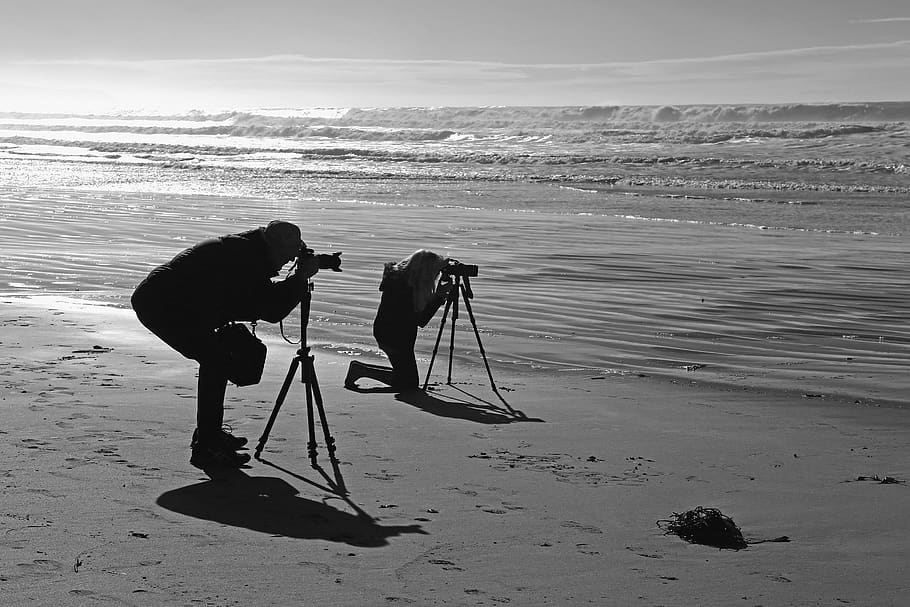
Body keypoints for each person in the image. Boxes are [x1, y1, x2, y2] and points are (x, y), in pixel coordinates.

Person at [131, 221, 319, 468]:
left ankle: (210, 435)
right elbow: (271, 309)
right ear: (273, 246)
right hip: (162, 305)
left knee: (215, 359)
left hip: (176, 303)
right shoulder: (245, 258)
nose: (287, 262)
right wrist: (300, 278)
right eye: (286, 255)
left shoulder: (248, 249)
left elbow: (260, 297)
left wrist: (297, 278)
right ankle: (207, 447)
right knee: (216, 361)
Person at [345, 249, 453, 392]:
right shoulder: (405, 289)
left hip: (391, 332)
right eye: (435, 272)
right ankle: (360, 370)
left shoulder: (402, 280)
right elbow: (420, 320)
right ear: (425, 272)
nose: (436, 276)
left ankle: (359, 369)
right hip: (394, 337)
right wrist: (439, 297)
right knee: (408, 383)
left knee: (406, 377)